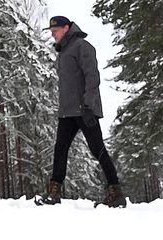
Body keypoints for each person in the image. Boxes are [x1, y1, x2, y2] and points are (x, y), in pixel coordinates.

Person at [36, 16, 126, 207]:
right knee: (60, 149)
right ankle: (54, 193)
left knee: (97, 149)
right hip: (67, 112)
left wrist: (88, 106)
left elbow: (92, 77)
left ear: (66, 28)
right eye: (52, 33)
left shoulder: (82, 47)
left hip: (85, 109)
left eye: (55, 31)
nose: (53, 36)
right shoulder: (64, 52)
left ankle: (116, 192)